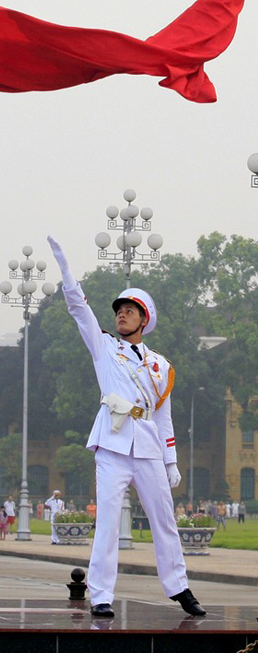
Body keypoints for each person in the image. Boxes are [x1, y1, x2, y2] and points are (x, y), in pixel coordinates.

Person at [48, 236, 206, 618]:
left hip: (149, 446)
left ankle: (179, 587)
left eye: (129, 310)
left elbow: (163, 416)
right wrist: (68, 275)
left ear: (143, 319)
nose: (121, 315)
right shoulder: (105, 348)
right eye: (119, 310)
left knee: (164, 521)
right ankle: (100, 594)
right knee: (106, 521)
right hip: (114, 444)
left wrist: (171, 461)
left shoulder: (161, 366)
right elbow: (80, 311)